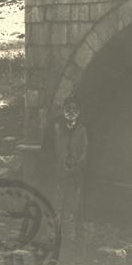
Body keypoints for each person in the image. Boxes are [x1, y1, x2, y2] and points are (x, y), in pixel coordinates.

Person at [39, 95, 88, 252]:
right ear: (63, 110)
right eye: (68, 109)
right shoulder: (55, 127)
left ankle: (68, 243)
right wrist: (54, 168)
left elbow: (84, 152)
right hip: (56, 175)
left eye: (75, 109)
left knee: (71, 208)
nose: (71, 112)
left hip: (73, 176)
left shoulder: (82, 130)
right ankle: (50, 240)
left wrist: (75, 168)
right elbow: (46, 151)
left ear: (79, 112)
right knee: (54, 206)